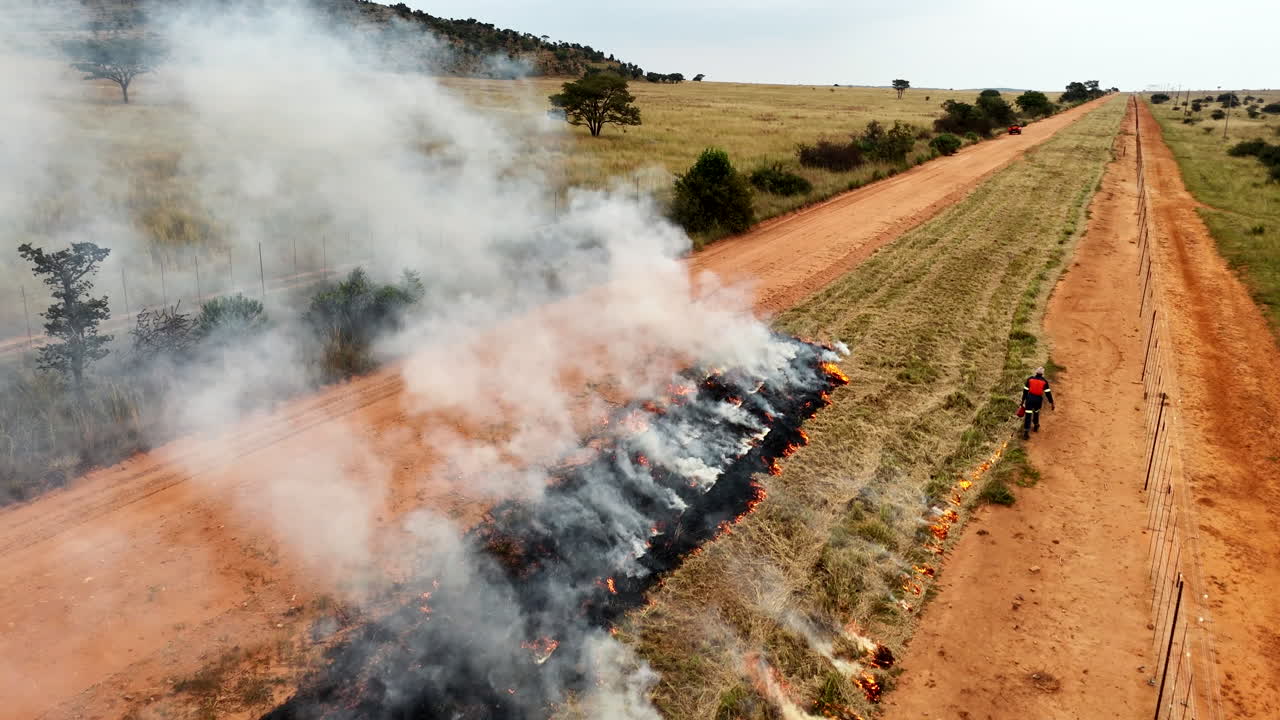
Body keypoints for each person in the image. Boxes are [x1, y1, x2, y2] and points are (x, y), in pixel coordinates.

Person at [1020, 367, 1055, 439]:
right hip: (1038, 399)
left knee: (1028, 415)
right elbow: (1048, 393)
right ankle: (1036, 425)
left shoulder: (1030, 379)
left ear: (1036, 372)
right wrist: (1052, 403)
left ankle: (1026, 432)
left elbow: (1025, 391)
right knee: (1036, 412)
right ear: (1042, 374)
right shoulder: (1044, 381)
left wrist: (1023, 400)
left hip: (1029, 399)